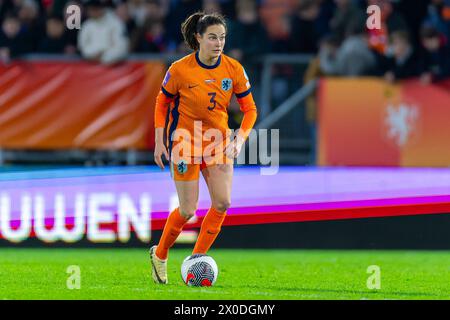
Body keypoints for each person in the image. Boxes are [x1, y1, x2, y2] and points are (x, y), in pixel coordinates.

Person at [150, 11, 258, 284]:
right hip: (184, 143)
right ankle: (160, 254)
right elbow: (162, 103)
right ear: (198, 38)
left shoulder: (233, 69)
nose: (218, 43)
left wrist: (240, 138)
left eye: (222, 37)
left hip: (218, 143)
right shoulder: (179, 69)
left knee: (222, 203)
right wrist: (160, 140)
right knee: (188, 210)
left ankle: (196, 259)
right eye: (212, 37)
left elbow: (250, 110)